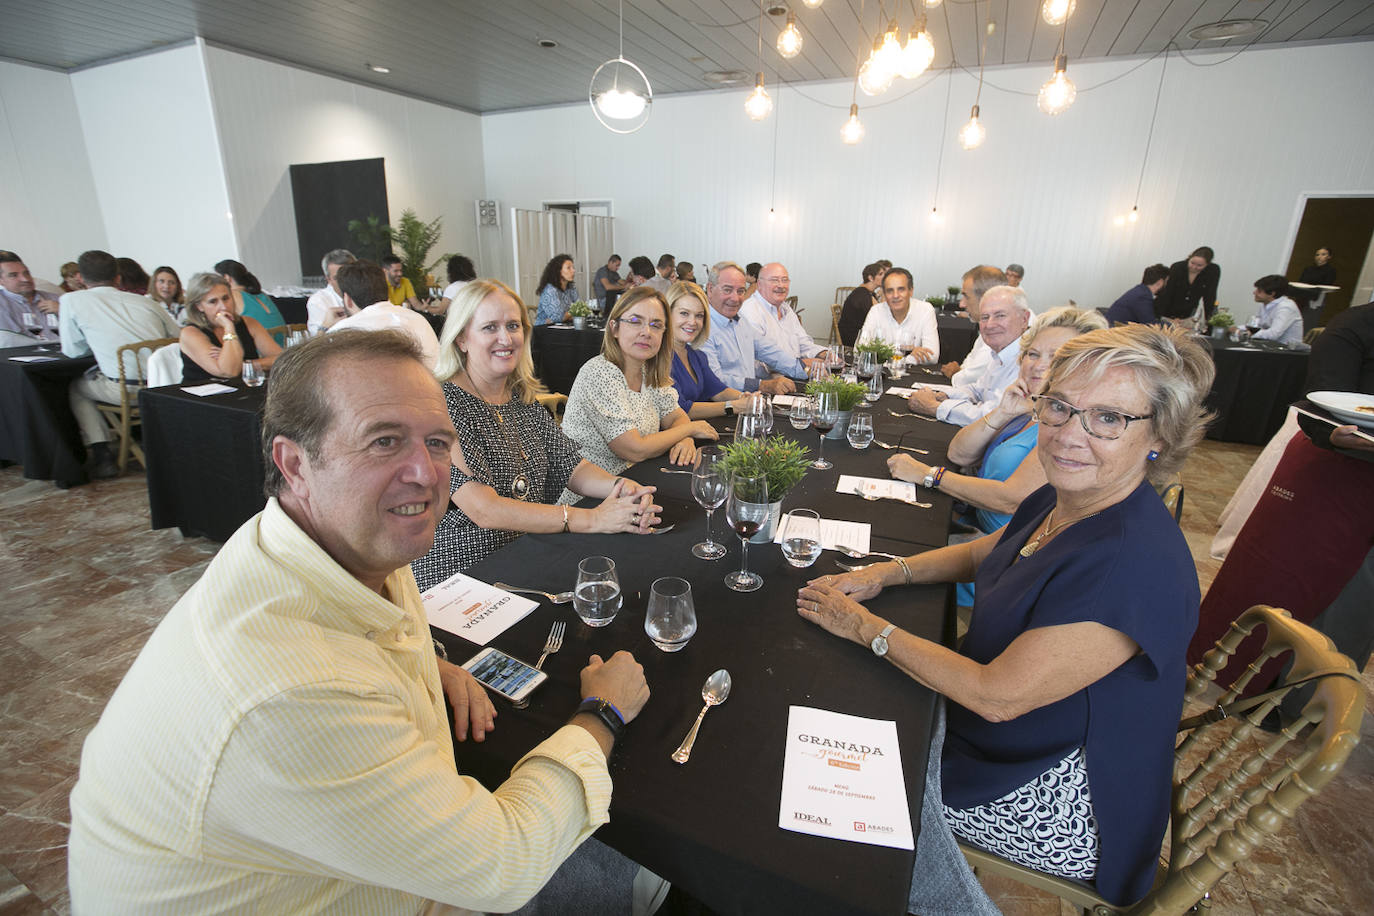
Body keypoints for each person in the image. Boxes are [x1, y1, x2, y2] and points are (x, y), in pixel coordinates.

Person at [68, 329, 658, 913]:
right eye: (383, 442)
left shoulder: (340, 546)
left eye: (437, 442)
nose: (427, 474)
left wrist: (427, 662)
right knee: (632, 862)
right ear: (294, 463)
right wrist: (601, 713)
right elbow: (501, 866)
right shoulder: (289, 687)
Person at [797, 324, 1214, 911]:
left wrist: (866, 628)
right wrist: (886, 574)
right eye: (1061, 407)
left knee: (840, 796)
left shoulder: (1131, 564)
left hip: (1055, 791)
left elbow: (997, 697)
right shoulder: (1073, 494)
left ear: (1160, 438)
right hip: (1009, 734)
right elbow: (987, 551)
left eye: (1109, 418)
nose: (1070, 435)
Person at [412, 280, 663, 586]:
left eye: (513, 326)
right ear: (462, 338)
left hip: (527, 552)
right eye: (490, 327)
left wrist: (625, 488)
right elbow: (484, 510)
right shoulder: (444, 404)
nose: (505, 338)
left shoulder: (521, 398)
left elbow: (572, 466)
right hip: (465, 573)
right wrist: (593, 519)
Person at [1188, 299, 1374, 693]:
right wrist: (1337, 433)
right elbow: (1322, 407)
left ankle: (1316, 696)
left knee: (1359, 599)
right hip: (1335, 471)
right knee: (1289, 584)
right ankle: (1271, 687)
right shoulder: (1354, 326)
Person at [888, 307, 1107, 602]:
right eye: (1033, 354)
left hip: (1004, 562)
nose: (1038, 366)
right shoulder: (1035, 408)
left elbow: (1009, 499)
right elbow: (959, 453)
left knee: (894, 552)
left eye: (1056, 357)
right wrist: (1003, 412)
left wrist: (928, 474)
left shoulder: (1069, 428)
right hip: (978, 534)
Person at [562, 286, 717, 474]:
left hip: (635, 480)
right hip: (589, 495)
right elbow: (634, 449)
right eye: (636, 321)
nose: (647, 332)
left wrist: (684, 439)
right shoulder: (599, 372)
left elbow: (676, 416)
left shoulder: (649, 370)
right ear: (615, 328)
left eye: (656, 325)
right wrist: (690, 430)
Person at [59, 250, 180, 478]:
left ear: (81, 279)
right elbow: (177, 337)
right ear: (118, 277)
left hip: (125, 388)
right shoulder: (145, 301)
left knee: (76, 388)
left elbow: (72, 351)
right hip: (163, 382)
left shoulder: (71, 301)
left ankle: (102, 451)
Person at [910, 285, 1030, 425]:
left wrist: (934, 407)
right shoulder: (1001, 353)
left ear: (1024, 319)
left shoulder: (1028, 362)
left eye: (1000, 315)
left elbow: (993, 417)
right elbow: (979, 390)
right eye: (984, 317)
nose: (990, 325)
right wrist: (944, 395)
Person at [696, 261, 806, 395]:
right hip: (722, 407)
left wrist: (806, 369)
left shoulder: (741, 321)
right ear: (710, 289)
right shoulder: (700, 326)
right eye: (727, 290)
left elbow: (771, 352)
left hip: (749, 400)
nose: (735, 298)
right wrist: (761, 385)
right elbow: (715, 380)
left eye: (741, 291)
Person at [325, 260, 440, 369]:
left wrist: (323, 328)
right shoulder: (417, 319)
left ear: (347, 300)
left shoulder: (340, 332)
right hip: (436, 387)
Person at [666, 281, 751, 419]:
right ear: (667, 314)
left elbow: (718, 390)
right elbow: (680, 408)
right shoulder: (659, 358)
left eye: (699, 315)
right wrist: (734, 406)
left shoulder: (697, 355)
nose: (693, 322)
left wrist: (746, 397)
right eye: (684, 313)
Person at [178, 272, 281, 383]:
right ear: (199, 306)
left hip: (245, 389)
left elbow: (281, 359)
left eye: (226, 298)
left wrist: (247, 365)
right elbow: (229, 372)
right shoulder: (190, 333)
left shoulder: (249, 323)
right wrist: (229, 327)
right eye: (213, 302)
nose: (223, 306)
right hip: (200, 396)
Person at [740, 261, 829, 363]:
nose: (781, 285)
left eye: (785, 280)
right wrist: (800, 365)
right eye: (774, 280)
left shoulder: (785, 308)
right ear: (759, 284)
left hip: (794, 372)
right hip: (772, 377)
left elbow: (802, 342)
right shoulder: (750, 311)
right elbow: (757, 361)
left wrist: (824, 353)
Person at [857, 266, 939, 363]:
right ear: (884, 293)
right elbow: (861, 349)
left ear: (911, 291)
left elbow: (932, 356)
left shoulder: (925, 310)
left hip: (912, 376)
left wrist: (885, 357)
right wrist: (908, 354)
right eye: (890, 291)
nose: (895, 295)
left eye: (901, 289)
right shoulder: (876, 311)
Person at [940, 265, 1007, 383]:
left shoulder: (1000, 333)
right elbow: (968, 364)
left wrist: (957, 373)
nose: (961, 304)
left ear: (986, 298)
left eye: (966, 296)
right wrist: (960, 372)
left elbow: (968, 378)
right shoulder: (987, 327)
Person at [213, 258, 286, 341]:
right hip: (283, 344)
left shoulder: (233, 295)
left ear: (226, 278)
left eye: (216, 279)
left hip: (262, 346)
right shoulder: (261, 294)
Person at [0, 250, 61, 344]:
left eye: (26, 273)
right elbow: (11, 342)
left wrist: (64, 311)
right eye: (14, 275)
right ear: (1, 281)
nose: (25, 279)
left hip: (67, 354)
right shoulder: (2, 304)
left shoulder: (56, 299)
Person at [1157, 246, 1220, 324]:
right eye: (1192, 263)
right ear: (1189, 258)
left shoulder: (1213, 271)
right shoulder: (1177, 267)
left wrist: (1210, 321)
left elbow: (1210, 297)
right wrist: (1158, 316)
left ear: (1207, 264)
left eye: (1199, 265)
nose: (1194, 267)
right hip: (1168, 312)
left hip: (1188, 315)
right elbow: (1167, 293)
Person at [1236, 274, 1302, 346]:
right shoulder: (1265, 304)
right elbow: (1255, 325)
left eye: (1259, 291)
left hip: (1286, 350)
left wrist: (1245, 333)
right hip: (1268, 345)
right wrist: (1235, 328)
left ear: (1271, 294)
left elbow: (1273, 334)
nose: (1254, 292)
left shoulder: (1286, 307)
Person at [305, 248, 355, 335]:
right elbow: (318, 342)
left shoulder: (368, 292)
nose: (344, 281)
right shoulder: (318, 301)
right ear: (328, 280)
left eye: (349, 275)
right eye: (337, 278)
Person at [838, 262, 883, 348]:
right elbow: (879, 316)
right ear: (870, 278)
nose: (884, 277)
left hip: (860, 333)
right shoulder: (861, 294)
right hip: (854, 337)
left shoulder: (868, 293)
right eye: (880, 274)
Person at [535, 253, 579, 326]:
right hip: (544, 330)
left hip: (563, 327)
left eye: (573, 268)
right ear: (558, 271)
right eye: (569, 268)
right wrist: (573, 313)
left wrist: (567, 315)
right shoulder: (550, 290)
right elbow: (558, 317)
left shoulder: (571, 288)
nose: (573, 271)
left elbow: (581, 308)